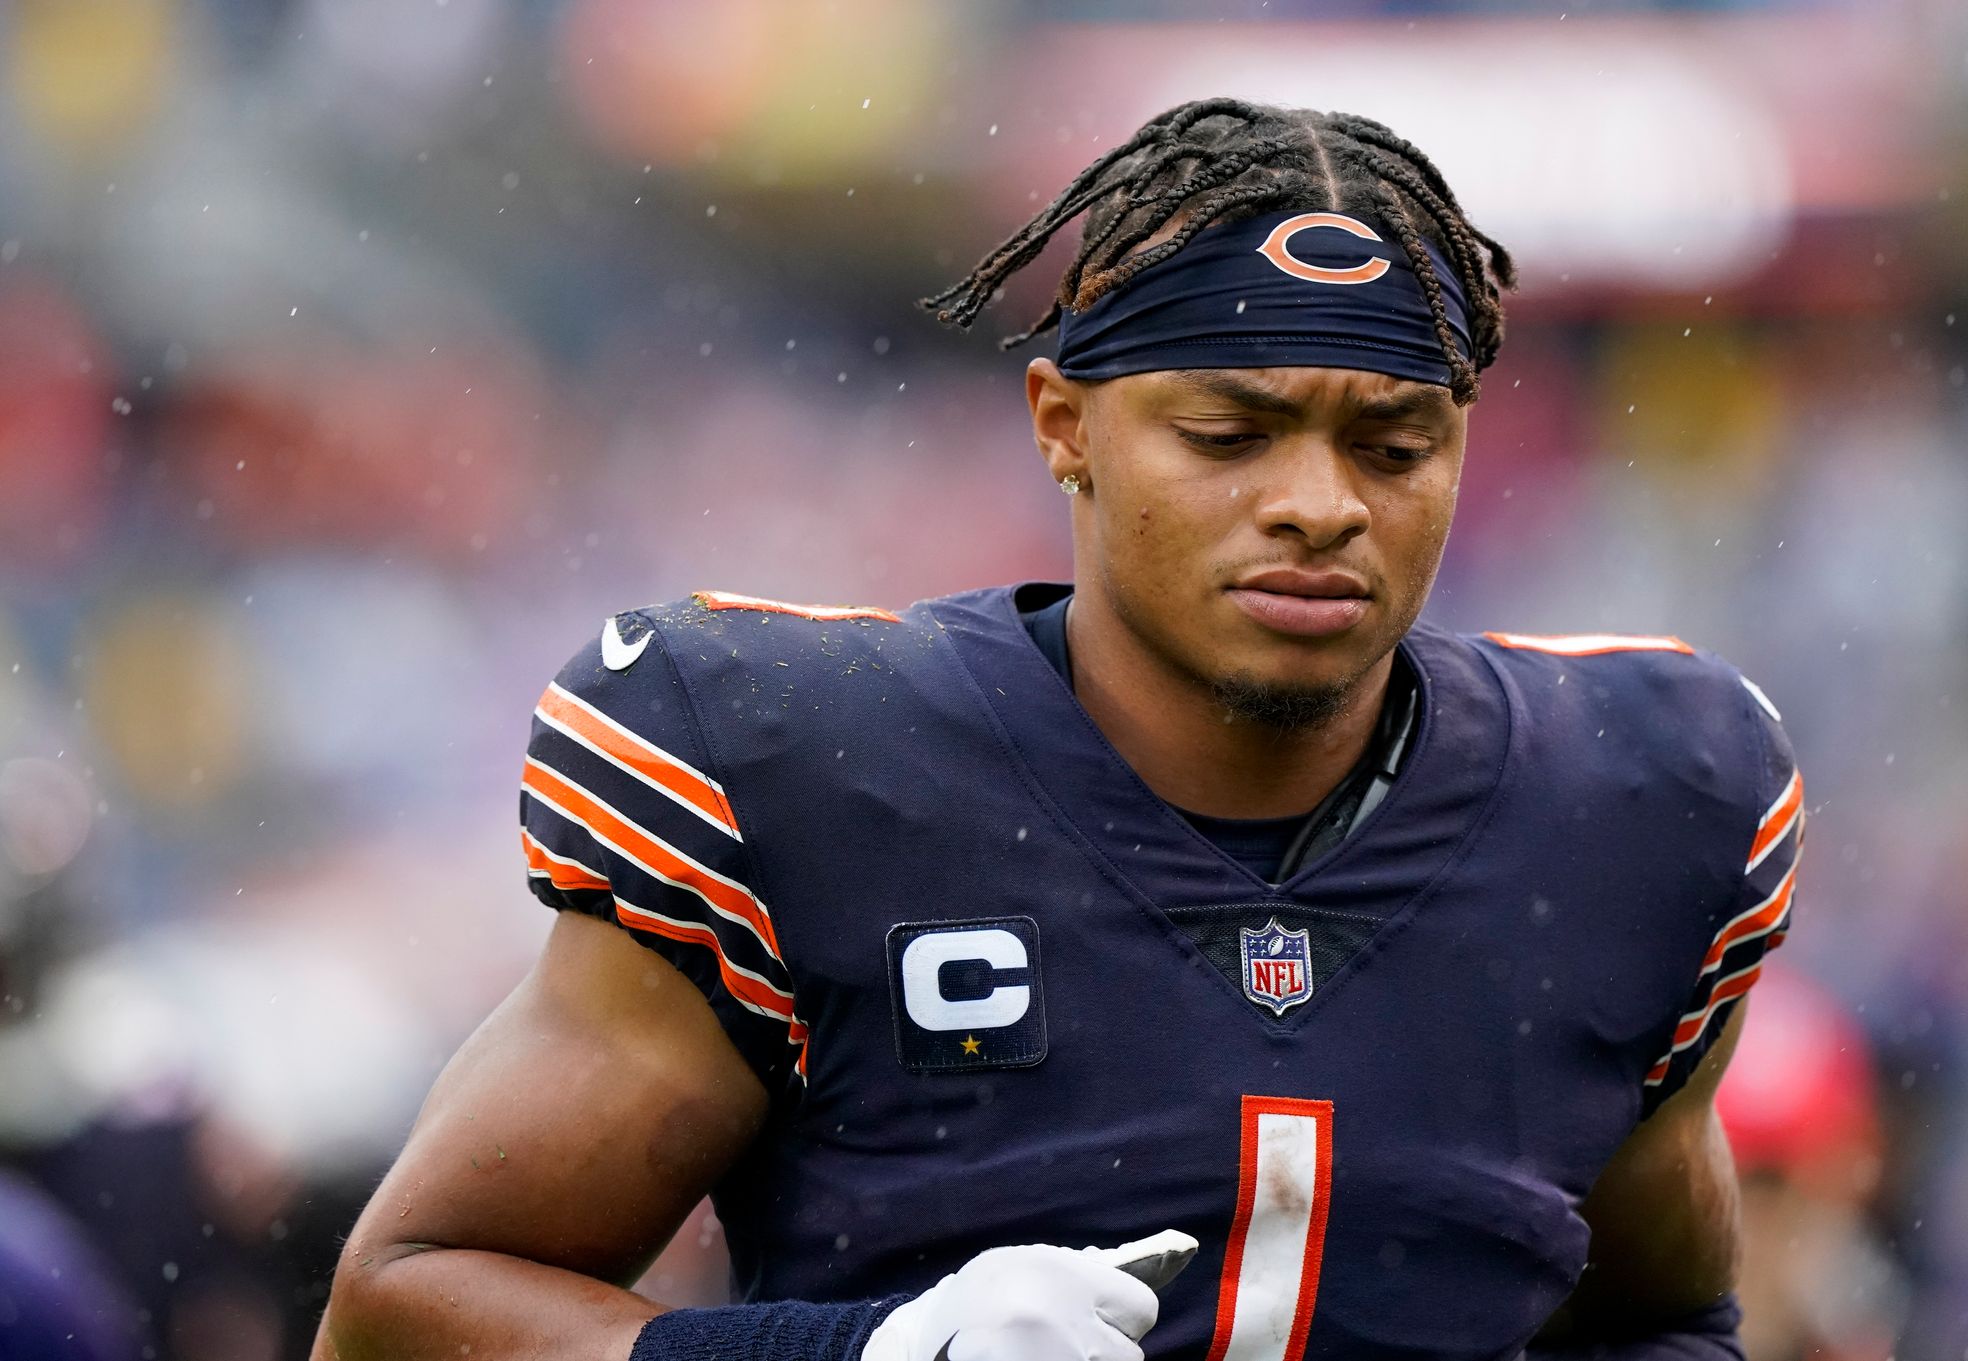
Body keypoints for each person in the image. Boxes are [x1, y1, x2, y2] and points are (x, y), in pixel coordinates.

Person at [315, 98, 1806, 1361]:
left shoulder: (1634, 805)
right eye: (1229, 435)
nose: (1320, 503)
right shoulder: (809, 767)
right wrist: (867, 1350)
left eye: (1393, 444)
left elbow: (1659, 1321)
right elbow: (399, 1306)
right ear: (1061, 426)